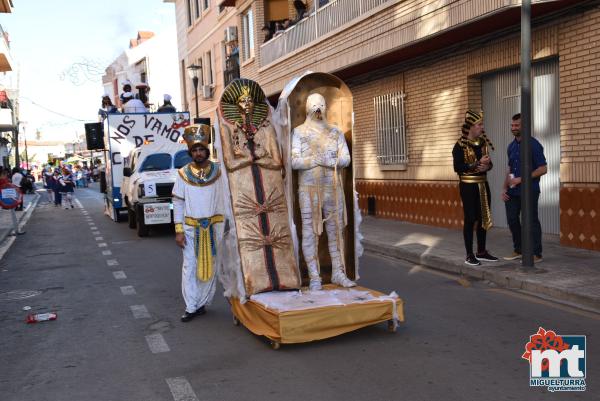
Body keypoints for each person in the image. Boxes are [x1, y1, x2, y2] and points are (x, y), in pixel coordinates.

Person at [291, 93, 356, 290]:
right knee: (310, 232)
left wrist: (330, 161)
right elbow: (293, 161)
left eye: (321, 106)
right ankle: (314, 277)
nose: (318, 110)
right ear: (308, 108)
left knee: (335, 230)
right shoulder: (299, 132)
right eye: (314, 106)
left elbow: (346, 158)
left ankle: (338, 272)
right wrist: (313, 160)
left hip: (333, 189)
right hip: (308, 190)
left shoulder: (335, 133)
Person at [172, 123, 225, 322]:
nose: (199, 153)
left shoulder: (219, 172)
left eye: (202, 149)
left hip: (215, 226)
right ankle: (191, 306)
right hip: (190, 228)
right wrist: (178, 230)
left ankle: (202, 301)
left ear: (207, 150)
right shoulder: (183, 174)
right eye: (195, 150)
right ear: (190, 152)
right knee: (190, 267)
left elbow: (226, 198)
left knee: (211, 265)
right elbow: (177, 202)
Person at [452, 110, 498, 266]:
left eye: (482, 124)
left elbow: (489, 164)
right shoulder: (459, 146)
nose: (482, 127)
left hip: (483, 185)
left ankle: (482, 251)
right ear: (471, 126)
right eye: (479, 124)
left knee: (483, 218)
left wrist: (487, 167)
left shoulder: (482, 143)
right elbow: (458, 167)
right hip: (468, 186)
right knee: (470, 219)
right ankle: (469, 254)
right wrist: (476, 164)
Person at [501, 113, 547, 262]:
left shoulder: (534, 144)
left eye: (517, 125)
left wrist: (522, 179)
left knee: (531, 220)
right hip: (512, 190)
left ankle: (536, 253)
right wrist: (504, 188)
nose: (513, 128)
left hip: (529, 190)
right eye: (512, 125)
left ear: (524, 126)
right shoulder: (511, 146)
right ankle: (519, 249)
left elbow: (543, 169)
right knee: (512, 219)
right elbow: (509, 170)